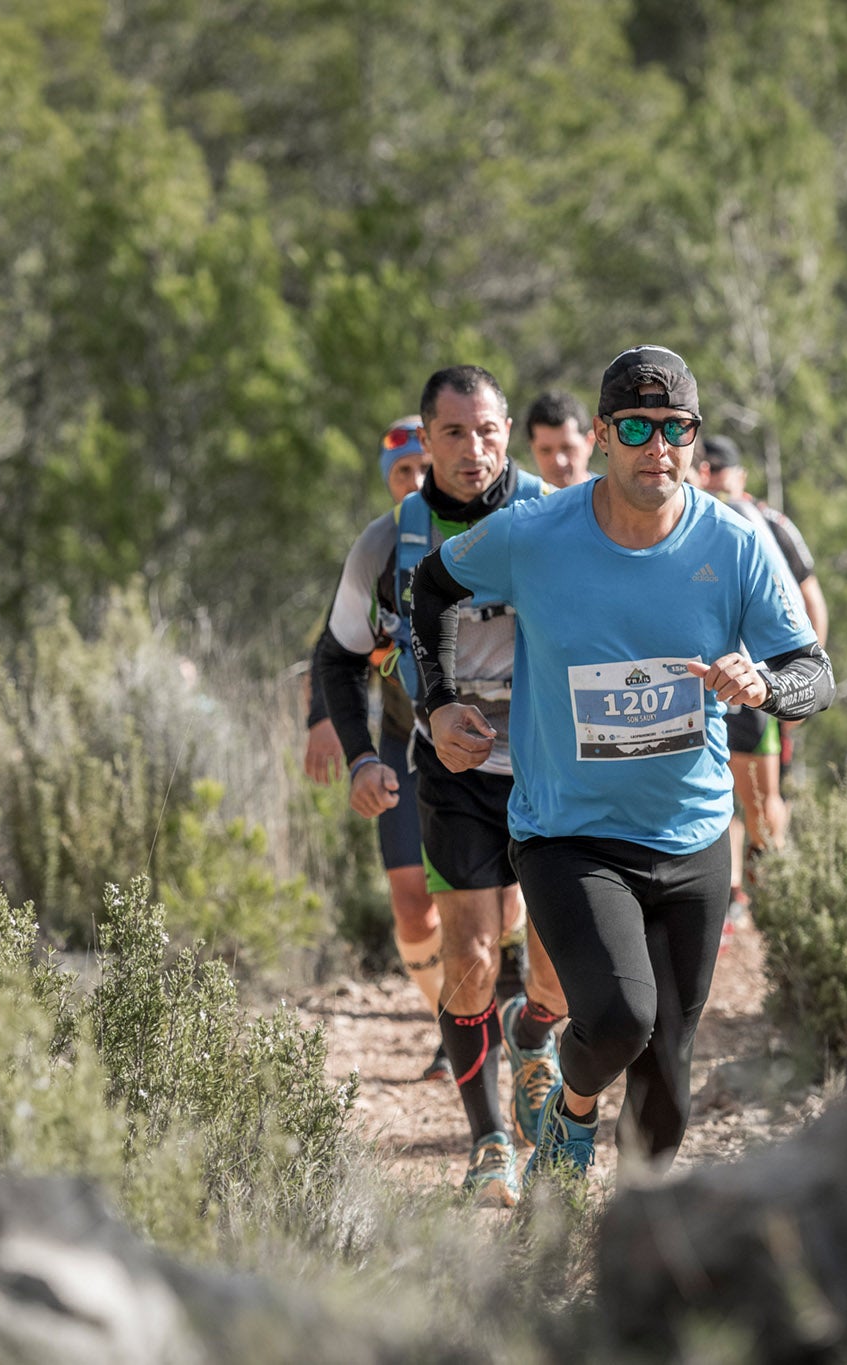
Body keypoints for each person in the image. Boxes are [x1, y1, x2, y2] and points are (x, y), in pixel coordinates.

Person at [411, 345, 834, 1182]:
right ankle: (569, 1112)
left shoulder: (736, 542)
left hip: (693, 835)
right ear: (602, 434)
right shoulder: (536, 534)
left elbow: (813, 672)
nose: (657, 447)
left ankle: (634, 1250)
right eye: (635, 427)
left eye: (675, 429)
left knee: (667, 1086)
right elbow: (428, 589)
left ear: (693, 439)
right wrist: (437, 702)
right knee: (617, 1016)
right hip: (571, 832)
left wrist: (765, 683)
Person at [314, 367, 573, 1206]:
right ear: (423, 441)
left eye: (489, 430)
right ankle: (489, 1140)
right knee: (465, 952)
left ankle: (534, 1032)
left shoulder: (557, 518)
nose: (475, 449)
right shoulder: (389, 542)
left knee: (555, 970)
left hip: (549, 767)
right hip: (451, 775)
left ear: (510, 431)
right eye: (454, 433)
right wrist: (361, 755)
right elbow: (338, 655)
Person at [301, 418, 448, 1078]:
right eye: (403, 474)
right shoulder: (379, 548)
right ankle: (454, 1016)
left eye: (425, 467)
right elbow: (334, 645)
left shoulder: (482, 533)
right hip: (401, 743)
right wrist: (322, 719)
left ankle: (499, 1024)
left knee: (491, 895)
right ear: (389, 481)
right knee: (413, 906)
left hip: (489, 746)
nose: (416, 482)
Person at [693, 435, 829, 902]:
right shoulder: (686, 518)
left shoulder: (763, 520)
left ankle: (770, 896)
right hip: (707, 677)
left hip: (758, 680)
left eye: (721, 472)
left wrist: (797, 682)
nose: (717, 481)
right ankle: (734, 898)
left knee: (760, 795)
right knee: (721, 792)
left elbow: (811, 598)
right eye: (710, 471)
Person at [525, 390, 597, 489]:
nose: (559, 461)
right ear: (532, 449)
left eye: (567, 448)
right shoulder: (523, 503)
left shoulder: (616, 499)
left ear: (589, 443)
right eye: (545, 450)